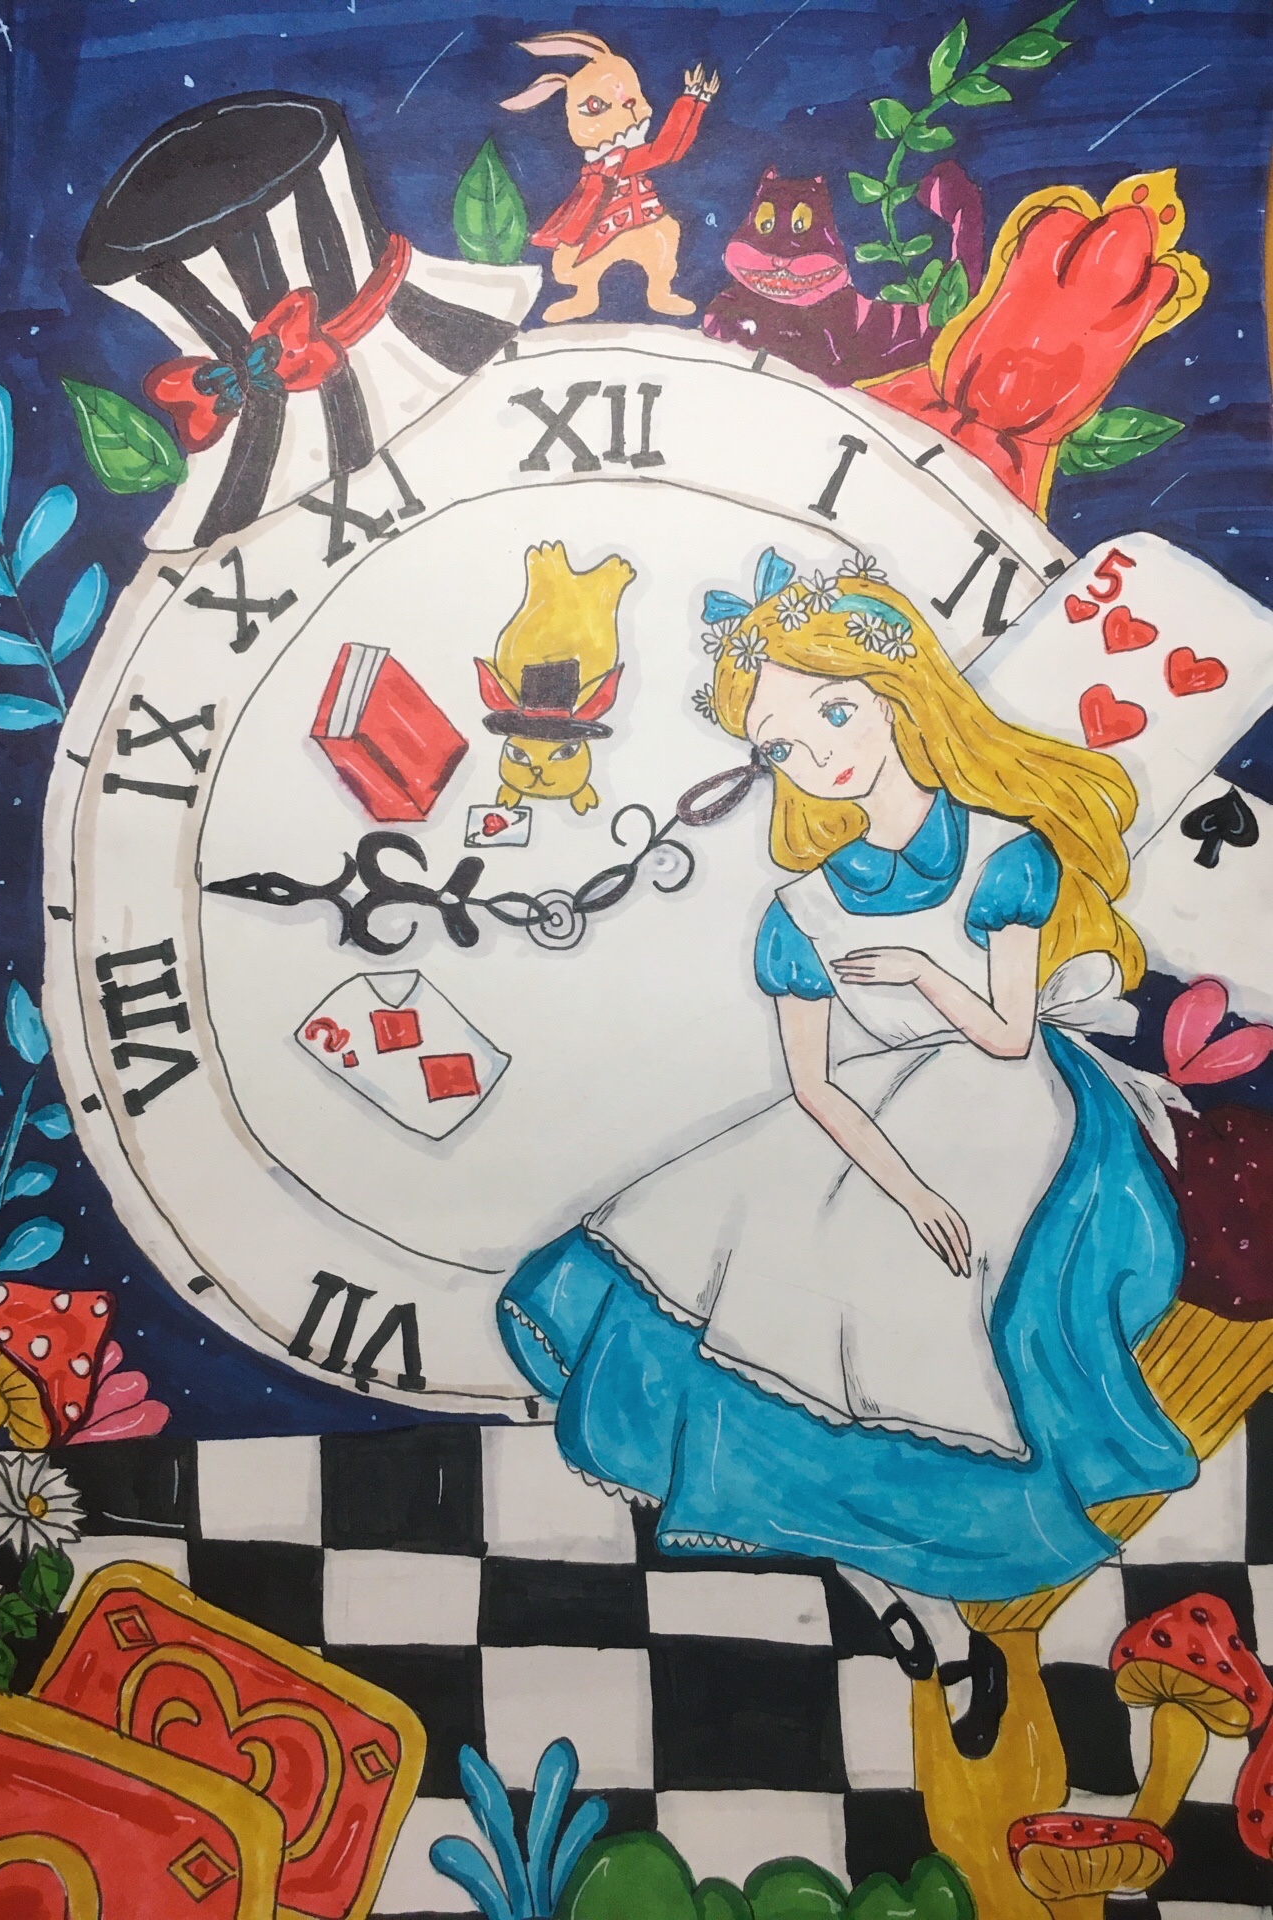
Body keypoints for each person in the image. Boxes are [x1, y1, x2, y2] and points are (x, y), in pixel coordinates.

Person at [497, 554, 1196, 1750]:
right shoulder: (799, 911)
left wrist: (921, 971)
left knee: (905, 1325)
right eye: (780, 744)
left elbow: (1006, 1034)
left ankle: (916, 1584)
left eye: (831, 714)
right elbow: (814, 1087)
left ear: (893, 695)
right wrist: (905, 1188)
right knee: (760, 1275)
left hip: (1009, 1106)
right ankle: (886, 1588)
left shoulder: (1004, 853)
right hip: (870, 1134)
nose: (816, 756)